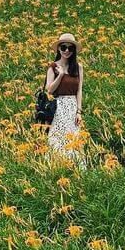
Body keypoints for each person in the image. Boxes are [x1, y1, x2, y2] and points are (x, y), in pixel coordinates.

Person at [43, 32, 86, 165]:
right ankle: (57, 166)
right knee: (58, 137)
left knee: (73, 137)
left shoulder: (78, 67)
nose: (67, 51)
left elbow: (79, 90)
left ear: (74, 50)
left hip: (72, 106)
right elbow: (49, 89)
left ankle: (74, 166)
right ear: (58, 49)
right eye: (63, 47)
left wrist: (79, 112)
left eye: (70, 48)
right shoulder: (53, 67)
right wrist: (60, 75)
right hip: (58, 106)